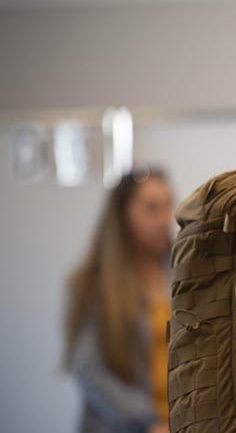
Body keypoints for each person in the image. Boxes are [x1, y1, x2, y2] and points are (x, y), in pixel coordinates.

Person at [64, 168, 173, 433]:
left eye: (168, 205)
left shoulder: (183, 271)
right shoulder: (94, 283)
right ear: (123, 215)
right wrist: (147, 422)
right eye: (151, 208)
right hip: (125, 425)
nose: (163, 219)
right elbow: (88, 368)